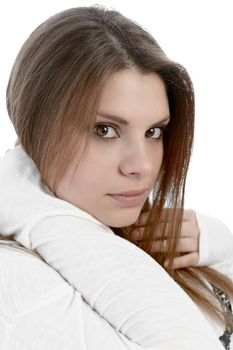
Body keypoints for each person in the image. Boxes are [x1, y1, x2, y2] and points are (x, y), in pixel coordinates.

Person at [0, 5, 232, 350]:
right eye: (104, 130)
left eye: (154, 131)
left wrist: (222, 247)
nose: (142, 165)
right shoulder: (16, 282)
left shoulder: (153, 240)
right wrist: (31, 208)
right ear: (35, 129)